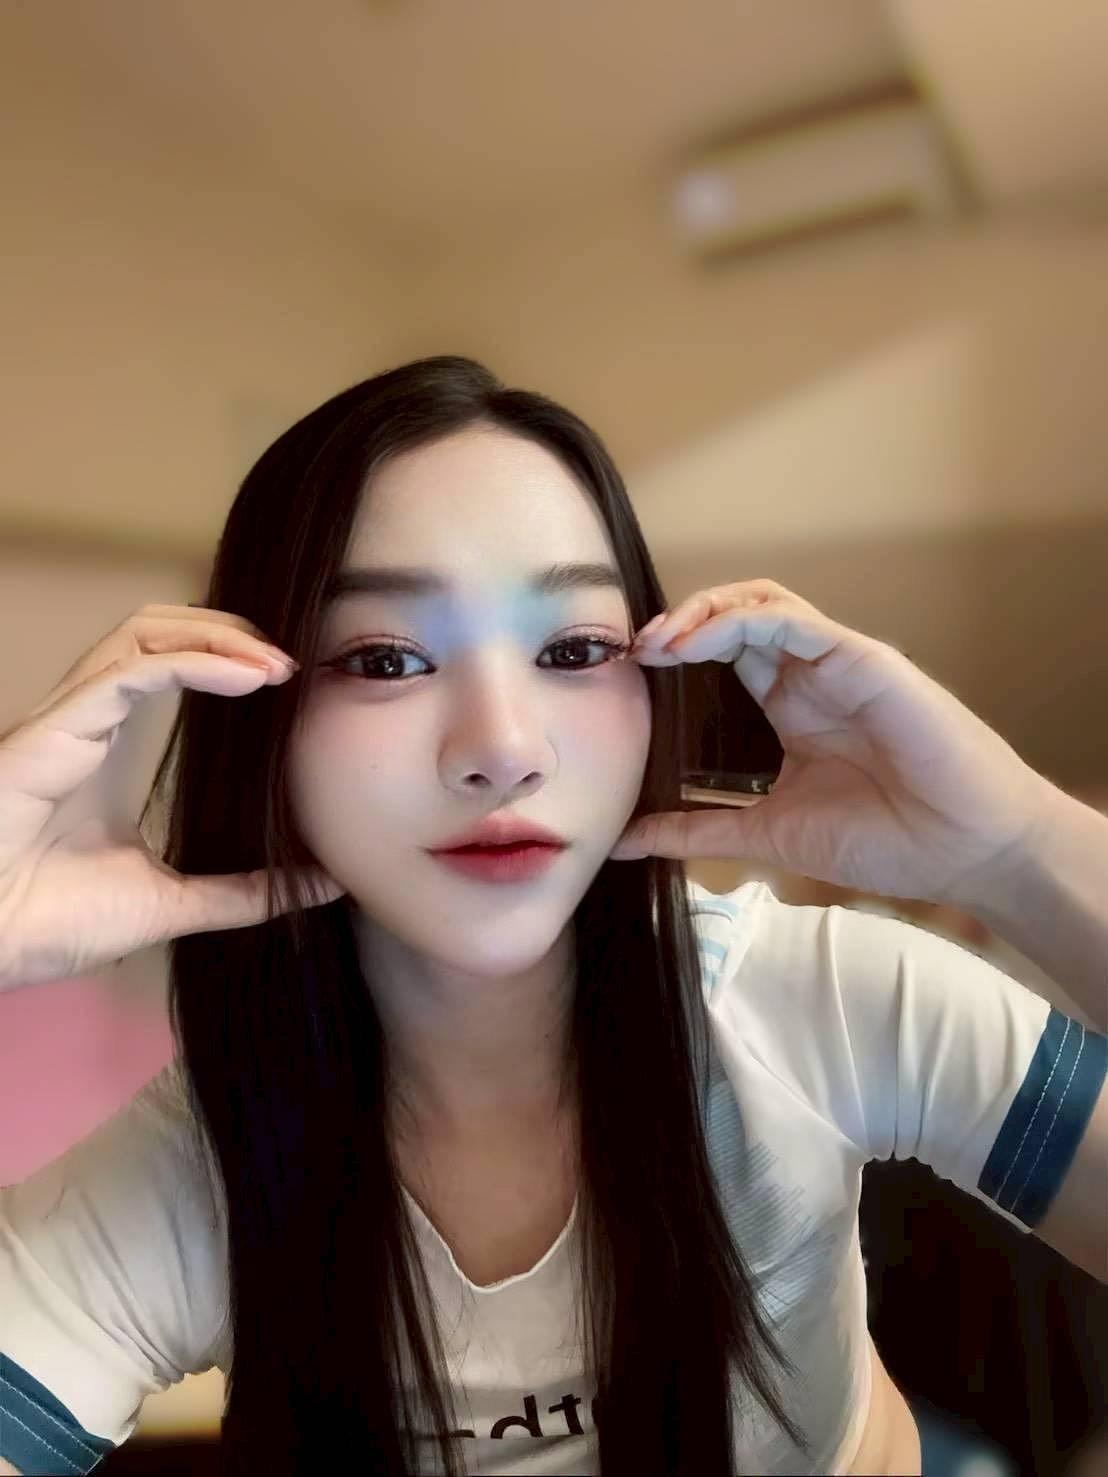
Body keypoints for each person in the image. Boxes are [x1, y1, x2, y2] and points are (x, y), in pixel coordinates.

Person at [0, 355, 1104, 1477]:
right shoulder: (193, 1172)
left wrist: (1017, 848)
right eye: (387, 658)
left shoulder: (811, 1002)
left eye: (574, 650)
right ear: (260, 723)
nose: (504, 749)